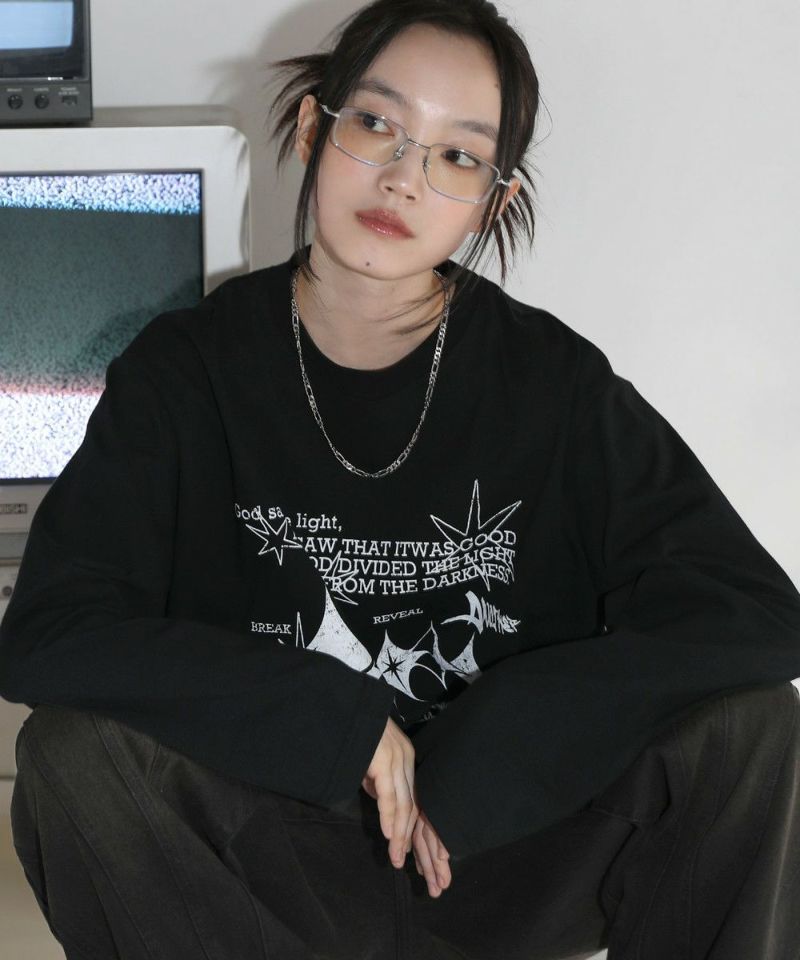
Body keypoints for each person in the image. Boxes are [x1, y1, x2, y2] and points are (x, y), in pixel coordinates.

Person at [2, 1, 800, 958]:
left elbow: (757, 616)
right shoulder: (186, 371)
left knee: (754, 729)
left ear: (494, 201)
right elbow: (50, 635)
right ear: (314, 128)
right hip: (265, 869)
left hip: (500, 848)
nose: (403, 177)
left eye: (457, 156)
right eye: (376, 123)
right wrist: (333, 721)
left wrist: (505, 741)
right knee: (71, 757)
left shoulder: (552, 384)